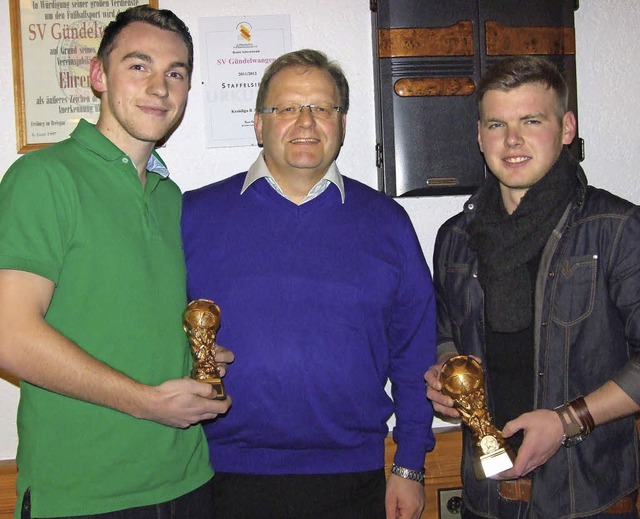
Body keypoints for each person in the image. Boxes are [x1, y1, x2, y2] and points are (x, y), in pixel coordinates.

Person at [181, 49, 436, 519]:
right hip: (219, 479)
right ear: (259, 125)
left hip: (354, 482)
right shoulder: (193, 216)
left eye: (322, 108)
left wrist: (411, 464)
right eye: (286, 108)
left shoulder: (387, 223)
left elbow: (414, 351)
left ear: (341, 124)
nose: (306, 122)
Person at [0, 6, 232, 519]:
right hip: (84, 494)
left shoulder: (171, 197)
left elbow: (122, 318)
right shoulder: (44, 177)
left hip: (188, 479)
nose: (159, 87)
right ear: (98, 75)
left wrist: (193, 357)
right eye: (138, 66)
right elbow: (9, 335)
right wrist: (148, 402)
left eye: (176, 73)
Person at [425, 55, 640, 519]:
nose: (512, 140)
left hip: (590, 503)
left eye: (531, 120)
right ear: (480, 136)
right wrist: (445, 373)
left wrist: (566, 421)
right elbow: (444, 335)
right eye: (497, 123)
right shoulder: (454, 240)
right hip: (485, 502)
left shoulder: (618, 228)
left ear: (566, 128)